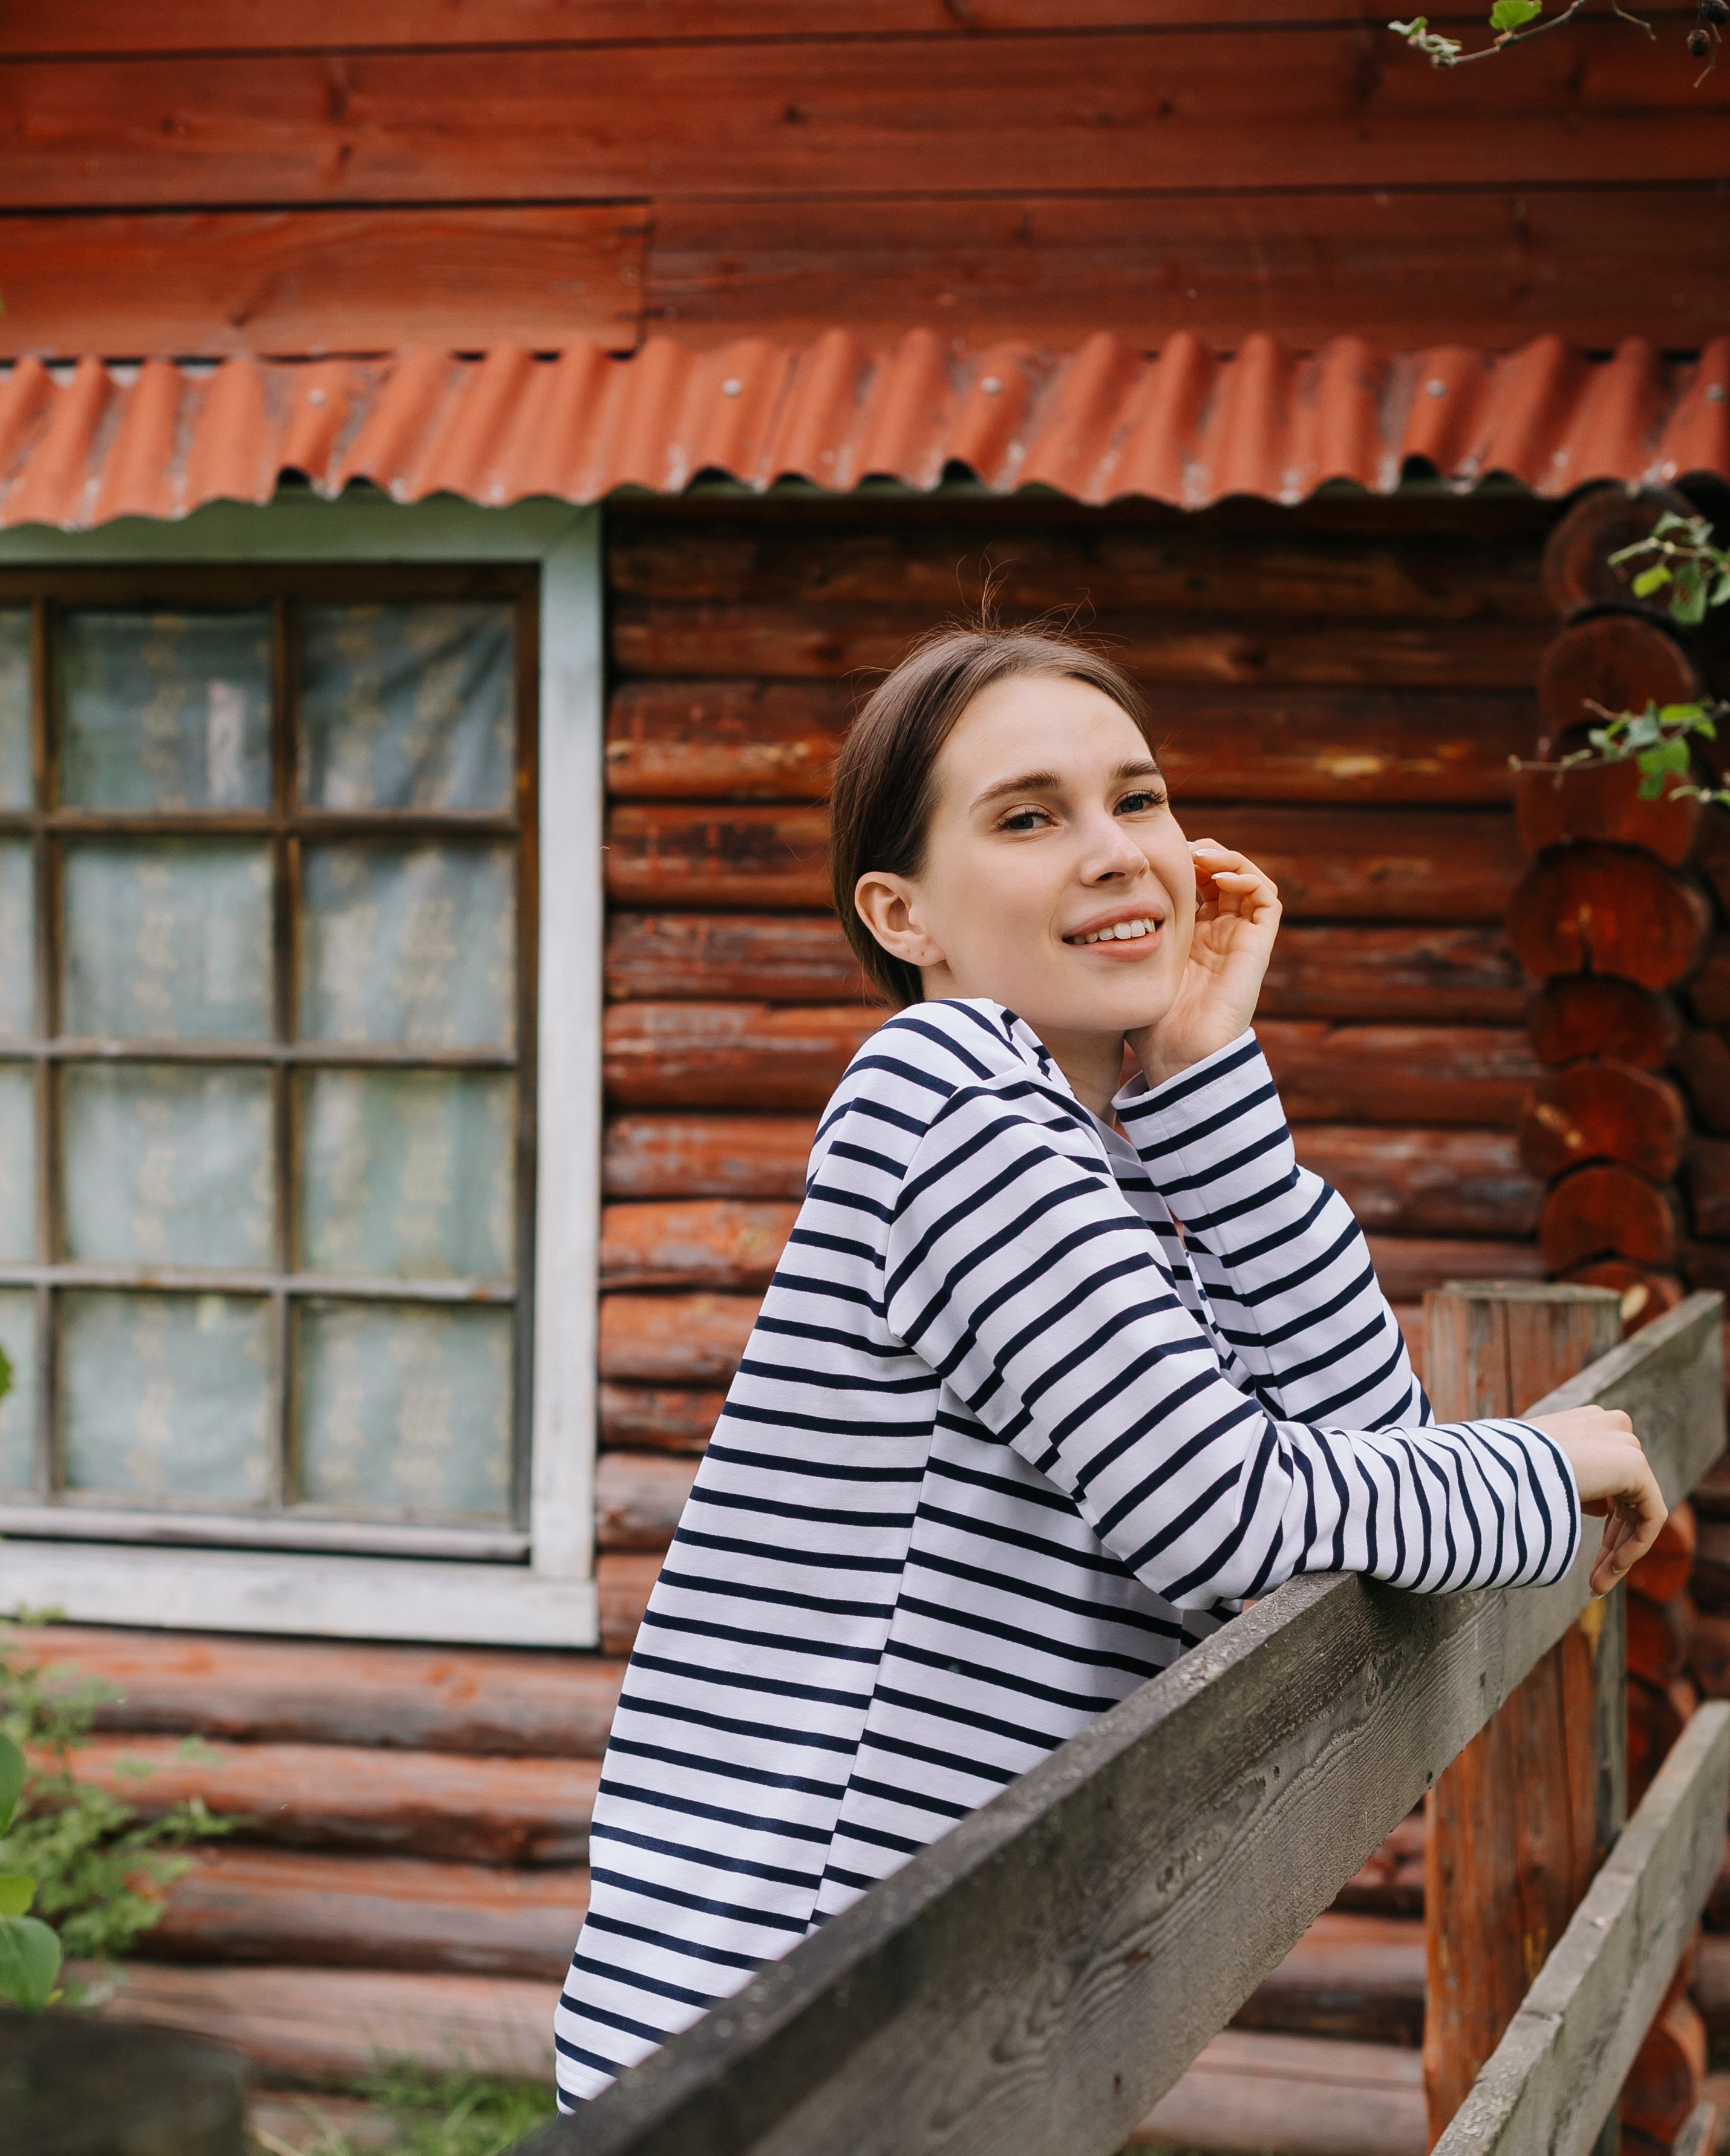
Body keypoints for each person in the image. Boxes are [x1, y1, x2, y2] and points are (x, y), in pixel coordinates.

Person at [549, 622, 1669, 2109]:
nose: (1116, 852)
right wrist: (1546, 1469)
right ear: (903, 913)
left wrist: (1207, 1090)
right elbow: (1226, 1519)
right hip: (787, 2022)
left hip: (942, 2006)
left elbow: (1369, 1435)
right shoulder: (943, 1095)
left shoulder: (1107, 1153)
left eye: (1137, 799)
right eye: (1029, 818)